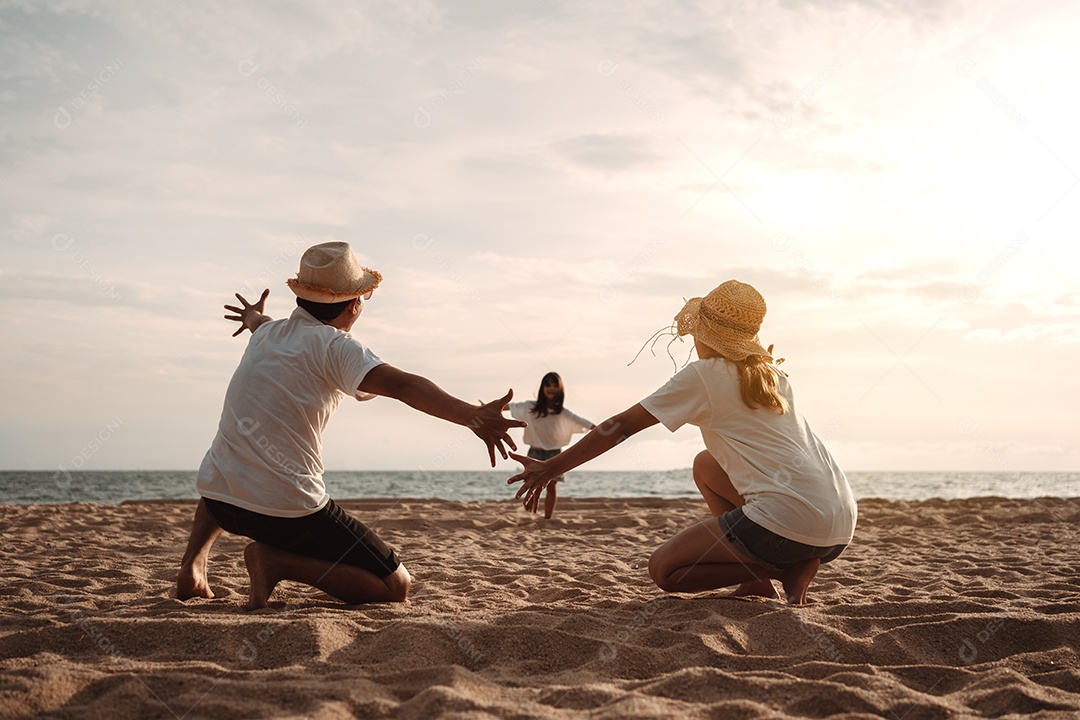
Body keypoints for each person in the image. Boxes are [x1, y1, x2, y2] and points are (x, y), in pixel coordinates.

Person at [176, 241, 526, 610]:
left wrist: (251, 318)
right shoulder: (336, 347)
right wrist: (472, 416)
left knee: (223, 464)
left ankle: (192, 566)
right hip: (286, 513)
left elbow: (257, 322)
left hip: (219, 500)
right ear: (353, 305)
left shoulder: (268, 333)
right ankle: (275, 561)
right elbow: (405, 386)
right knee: (395, 585)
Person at [509, 280, 857, 605]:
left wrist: (551, 467)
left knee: (665, 570)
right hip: (839, 522)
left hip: (791, 523)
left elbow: (621, 426)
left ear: (702, 334)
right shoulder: (771, 373)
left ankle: (780, 570)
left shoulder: (705, 374)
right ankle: (757, 582)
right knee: (705, 465)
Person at [508, 372, 595, 519]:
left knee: (552, 486)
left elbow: (582, 422)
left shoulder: (562, 412)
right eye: (548, 385)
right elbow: (508, 407)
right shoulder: (530, 407)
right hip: (535, 452)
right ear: (542, 387)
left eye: (555, 385)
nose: (551, 388)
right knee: (531, 485)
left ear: (560, 389)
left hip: (554, 454)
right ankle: (528, 515)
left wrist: (599, 430)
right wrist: (488, 408)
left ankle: (547, 518)